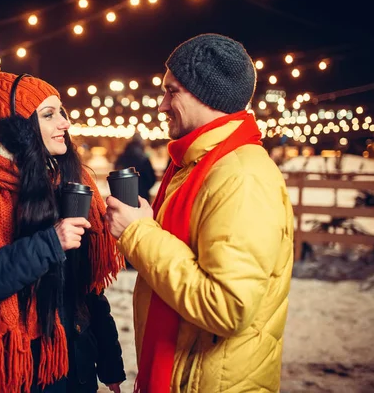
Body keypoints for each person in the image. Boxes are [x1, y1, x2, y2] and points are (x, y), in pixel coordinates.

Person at [105, 33, 294, 393]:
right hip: (183, 375)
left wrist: (139, 233)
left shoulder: (241, 176)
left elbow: (226, 307)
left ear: (206, 95)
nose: (162, 105)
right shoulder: (196, 165)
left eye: (171, 91)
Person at [0, 55, 126, 393]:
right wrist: (49, 244)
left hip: (76, 373)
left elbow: (88, 289)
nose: (65, 123)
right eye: (49, 115)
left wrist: (109, 361)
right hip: (11, 374)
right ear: (19, 128)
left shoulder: (70, 180)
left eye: (62, 112)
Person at [114, 135, 156, 203]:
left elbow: (115, 172)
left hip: (124, 194)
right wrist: (144, 189)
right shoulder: (144, 158)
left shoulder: (122, 156)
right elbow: (152, 178)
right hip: (142, 196)